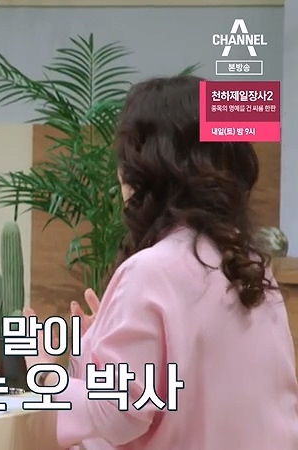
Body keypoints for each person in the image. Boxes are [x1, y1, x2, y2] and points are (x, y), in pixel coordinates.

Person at [24, 75, 298, 449]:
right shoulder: (253, 269)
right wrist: (97, 353)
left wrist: (45, 376)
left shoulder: (150, 272)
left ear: (142, 170)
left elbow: (118, 413)